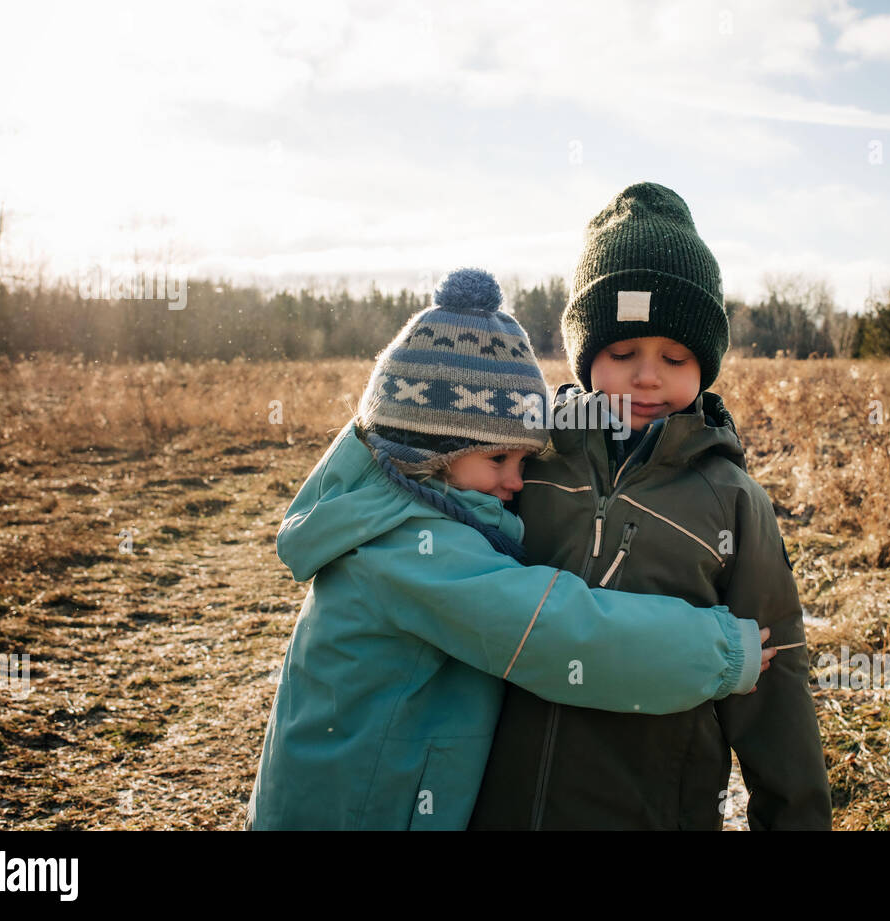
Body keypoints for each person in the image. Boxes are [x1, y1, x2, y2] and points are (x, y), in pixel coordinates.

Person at [244, 267, 777, 831]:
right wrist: (716, 650)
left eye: (525, 461)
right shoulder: (409, 551)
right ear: (430, 451)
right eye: (499, 460)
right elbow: (556, 630)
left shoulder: (392, 509)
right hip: (354, 808)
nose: (517, 483)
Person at [470, 183, 833, 830]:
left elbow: (777, 692)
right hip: (501, 805)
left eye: (674, 356)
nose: (647, 377)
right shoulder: (526, 465)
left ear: (706, 363)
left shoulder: (732, 503)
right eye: (621, 353)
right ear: (586, 358)